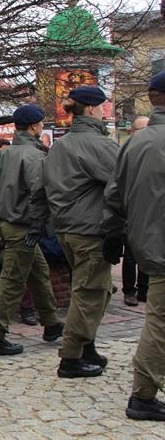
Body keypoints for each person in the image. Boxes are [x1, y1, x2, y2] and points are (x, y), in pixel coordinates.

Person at [42, 85, 117, 379]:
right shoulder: (98, 144)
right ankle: (71, 358)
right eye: (102, 106)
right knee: (89, 294)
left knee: (95, 290)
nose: (104, 111)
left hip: (67, 229)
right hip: (90, 230)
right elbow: (122, 184)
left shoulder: (60, 144)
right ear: (91, 108)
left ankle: (87, 349)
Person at [103, 71, 165, 422]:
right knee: (160, 321)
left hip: (147, 243)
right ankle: (143, 395)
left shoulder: (135, 143)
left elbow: (114, 196)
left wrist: (116, 234)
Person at [0, 105, 63, 356]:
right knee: (13, 282)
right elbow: (39, 194)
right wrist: (38, 225)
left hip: (8, 225)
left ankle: (51, 324)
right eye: (41, 123)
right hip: (23, 227)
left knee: (39, 272)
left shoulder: (4, 154)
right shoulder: (34, 156)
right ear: (35, 126)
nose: (42, 126)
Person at [121, 115, 150, 307]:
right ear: (133, 131)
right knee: (131, 254)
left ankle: (144, 289)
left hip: (149, 209)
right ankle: (129, 290)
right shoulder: (126, 152)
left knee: (147, 251)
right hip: (131, 210)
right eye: (143, 129)